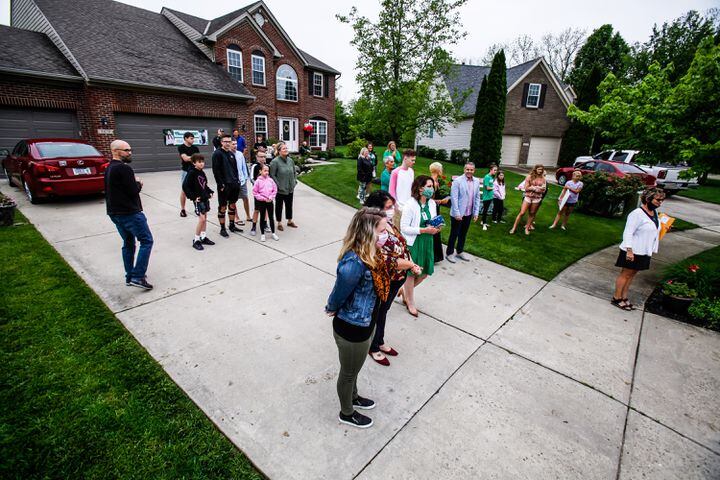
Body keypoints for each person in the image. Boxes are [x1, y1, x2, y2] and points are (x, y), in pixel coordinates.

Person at [325, 207, 390, 429]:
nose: (386, 233)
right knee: (349, 372)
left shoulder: (372, 253)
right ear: (368, 232)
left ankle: (353, 397)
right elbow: (339, 292)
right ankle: (347, 412)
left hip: (366, 323)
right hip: (352, 328)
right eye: (382, 229)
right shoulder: (354, 262)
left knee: (354, 370)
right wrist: (332, 307)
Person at [364, 191, 420, 366]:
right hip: (386, 278)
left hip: (398, 278)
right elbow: (385, 259)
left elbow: (400, 246)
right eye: (388, 208)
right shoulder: (372, 230)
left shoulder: (387, 223)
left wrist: (410, 263)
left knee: (384, 311)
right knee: (377, 312)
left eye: (392, 207)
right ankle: (373, 347)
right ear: (376, 209)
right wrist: (410, 265)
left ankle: (379, 341)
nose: (392, 211)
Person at [105, 139, 154, 290]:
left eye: (130, 150)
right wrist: (138, 183)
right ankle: (138, 276)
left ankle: (129, 276)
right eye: (126, 150)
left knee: (128, 243)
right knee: (146, 241)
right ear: (115, 151)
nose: (129, 153)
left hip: (115, 213)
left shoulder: (110, 168)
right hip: (130, 213)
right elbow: (133, 191)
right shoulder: (124, 169)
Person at [613, 188, 665, 311]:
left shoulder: (655, 213)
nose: (660, 202)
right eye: (658, 200)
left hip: (644, 251)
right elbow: (628, 232)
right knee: (625, 274)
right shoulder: (637, 214)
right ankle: (617, 297)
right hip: (632, 250)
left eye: (661, 200)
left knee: (632, 275)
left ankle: (624, 297)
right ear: (648, 199)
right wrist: (629, 250)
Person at [400, 175, 440, 317]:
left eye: (432, 186)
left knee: (424, 274)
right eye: (429, 186)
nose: (432, 189)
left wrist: (436, 227)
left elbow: (432, 221)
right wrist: (423, 230)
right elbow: (404, 228)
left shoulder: (432, 204)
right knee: (411, 274)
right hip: (414, 242)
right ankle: (410, 302)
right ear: (420, 188)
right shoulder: (410, 205)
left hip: (427, 241)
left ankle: (405, 291)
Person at [446, 162, 480, 263]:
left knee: (463, 234)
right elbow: (454, 198)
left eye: (471, 170)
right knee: (454, 233)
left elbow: (477, 197)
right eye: (467, 169)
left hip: (468, 213)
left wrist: (476, 212)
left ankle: (460, 251)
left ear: (474, 170)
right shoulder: (457, 181)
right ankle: (449, 253)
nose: (469, 171)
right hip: (458, 213)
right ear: (464, 169)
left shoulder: (476, 181)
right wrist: (457, 213)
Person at [182, 153, 216, 251]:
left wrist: (209, 191)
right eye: (199, 162)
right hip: (198, 199)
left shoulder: (202, 172)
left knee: (205, 218)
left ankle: (203, 237)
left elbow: (204, 185)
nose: (201, 164)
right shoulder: (192, 173)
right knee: (201, 219)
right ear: (194, 163)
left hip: (205, 198)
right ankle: (196, 240)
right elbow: (185, 186)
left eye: (202, 162)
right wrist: (193, 197)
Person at [212, 134, 242, 237]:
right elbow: (216, 171)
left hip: (234, 184)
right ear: (221, 142)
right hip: (224, 186)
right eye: (225, 141)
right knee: (223, 207)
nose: (228, 143)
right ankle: (222, 228)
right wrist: (221, 184)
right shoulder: (217, 154)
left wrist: (237, 181)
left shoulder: (231, 154)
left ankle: (232, 225)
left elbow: (235, 170)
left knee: (232, 205)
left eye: (229, 141)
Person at [509, 164, 547, 235]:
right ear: (535, 169)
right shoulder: (529, 177)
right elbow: (526, 188)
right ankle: (514, 228)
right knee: (522, 212)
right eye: (539, 169)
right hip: (528, 197)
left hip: (537, 198)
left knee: (532, 213)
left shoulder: (543, 179)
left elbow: (543, 190)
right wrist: (536, 188)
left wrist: (535, 188)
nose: (540, 171)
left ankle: (527, 228)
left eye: (541, 170)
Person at [269, 142, 298, 231]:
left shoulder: (290, 160)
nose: (286, 150)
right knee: (279, 206)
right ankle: (279, 222)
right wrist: (278, 186)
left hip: (290, 188)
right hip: (280, 189)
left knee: (289, 205)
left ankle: (289, 221)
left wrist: (294, 181)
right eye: (284, 149)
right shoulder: (275, 162)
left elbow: (294, 172)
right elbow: (272, 175)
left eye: (286, 148)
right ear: (279, 151)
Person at [388, 149, 416, 227]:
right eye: (412, 160)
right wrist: (396, 205)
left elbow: (412, 188)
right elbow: (391, 191)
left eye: (414, 160)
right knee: (397, 230)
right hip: (399, 207)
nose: (414, 162)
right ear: (405, 158)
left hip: (409, 206)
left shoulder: (411, 171)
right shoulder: (395, 172)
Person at [252, 164, 280, 242]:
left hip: (270, 201)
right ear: (260, 171)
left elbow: (275, 189)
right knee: (262, 217)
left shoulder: (271, 180)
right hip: (262, 202)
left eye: (268, 171)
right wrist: (263, 198)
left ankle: (273, 233)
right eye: (265, 171)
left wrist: (271, 197)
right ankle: (262, 234)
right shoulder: (258, 181)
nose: (267, 172)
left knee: (271, 217)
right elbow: (255, 192)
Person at [429, 162, 450, 262]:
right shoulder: (432, 181)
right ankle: (432, 257)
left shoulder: (436, 181)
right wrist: (442, 201)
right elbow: (429, 199)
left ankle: (435, 256)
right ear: (437, 170)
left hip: (435, 208)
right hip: (432, 209)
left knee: (436, 230)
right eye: (441, 168)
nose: (442, 170)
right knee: (434, 230)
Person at [178, 132, 199, 218]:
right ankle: (183, 210)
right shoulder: (181, 147)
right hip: (186, 171)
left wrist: (191, 158)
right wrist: (193, 157)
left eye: (193, 138)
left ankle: (197, 208)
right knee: (184, 191)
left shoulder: (195, 148)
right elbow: (185, 159)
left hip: (194, 171)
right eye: (191, 138)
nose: (193, 140)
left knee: (196, 190)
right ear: (186, 138)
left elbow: (198, 159)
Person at [249, 150, 270, 236]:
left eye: (264, 157)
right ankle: (253, 226)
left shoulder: (268, 166)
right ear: (257, 157)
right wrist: (259, 187)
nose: (262, 158)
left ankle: (265, 224)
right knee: (257, 210)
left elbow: (269, 178)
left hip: (267, 193)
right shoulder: (255, 166)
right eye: (260, 157)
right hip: (258, 193)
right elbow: (251, 179)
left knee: (266, 210)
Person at [231, 139, 252, 225]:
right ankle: (236, 217)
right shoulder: (227, 154)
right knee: (233, 200)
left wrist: (245, 177)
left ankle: (248, 216)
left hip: (242, 180)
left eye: (236, 144)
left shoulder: (240, 154)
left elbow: (244, 166)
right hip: (232, 182)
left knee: (245, 198)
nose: (235, 145)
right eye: (233, 144)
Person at [480, 164, 498, 230]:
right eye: (494, 170)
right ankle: (484, 224)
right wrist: (494, 187)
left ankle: (482, 221)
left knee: (486, 209)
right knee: (485, 211)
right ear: (490, 170)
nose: (495, 171)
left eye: (496, 170)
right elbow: (487, 188)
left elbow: (491, 185)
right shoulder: (487, 177)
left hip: (490, 196)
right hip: (486, 197)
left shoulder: (491, 177)